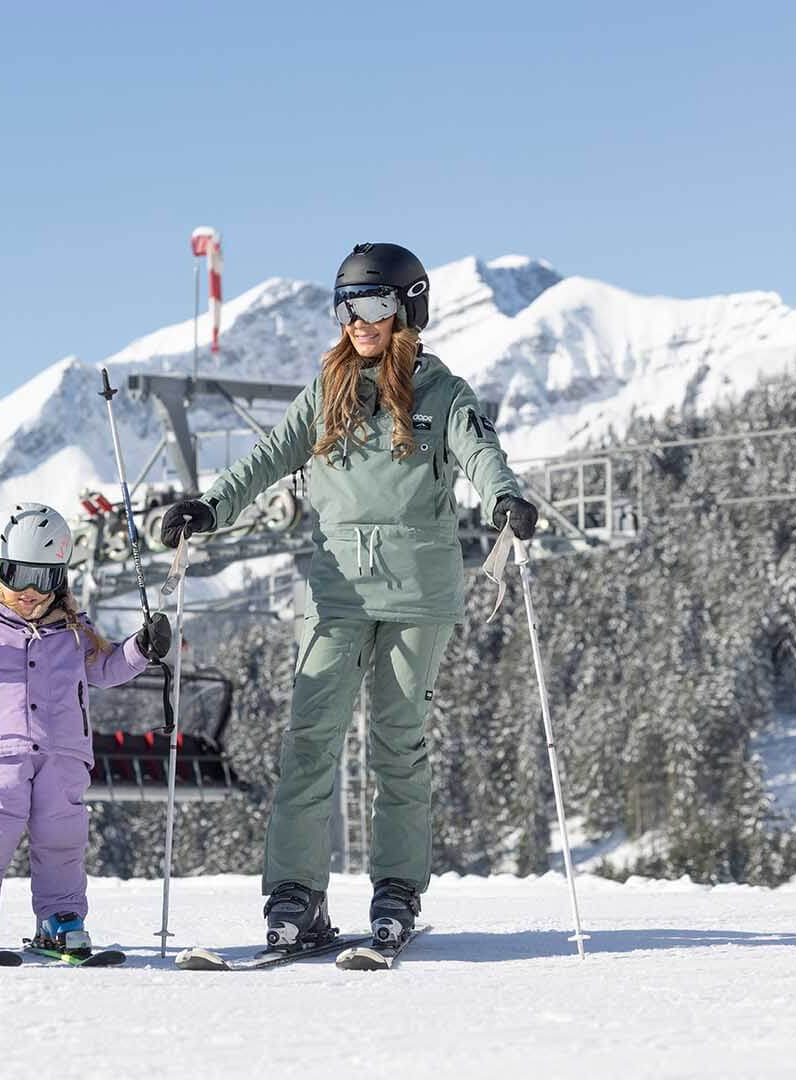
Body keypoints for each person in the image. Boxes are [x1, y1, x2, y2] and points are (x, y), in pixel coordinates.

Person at [160, 242, 538, 947]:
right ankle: (295, 897)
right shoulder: (325, 390)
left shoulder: (442, 392)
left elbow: (483, 455)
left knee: (399, 741)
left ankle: (397, 890)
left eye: (373, 304)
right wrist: (208, 508)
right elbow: (266, 458)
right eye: (346, 307)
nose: (358, 320)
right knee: (310, 738)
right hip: (334, 588)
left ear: (408, 308)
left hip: (418, 589)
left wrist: (505, 499)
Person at [0, 502, 170, 956]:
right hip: (3, 751)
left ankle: (61, 915)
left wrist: (140, 649)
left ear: (61, 578)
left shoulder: (73, 631)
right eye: (17, 575)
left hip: (65, 751)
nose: (30, 591)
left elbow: (106, 668)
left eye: (44, 578)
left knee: (63, 835)